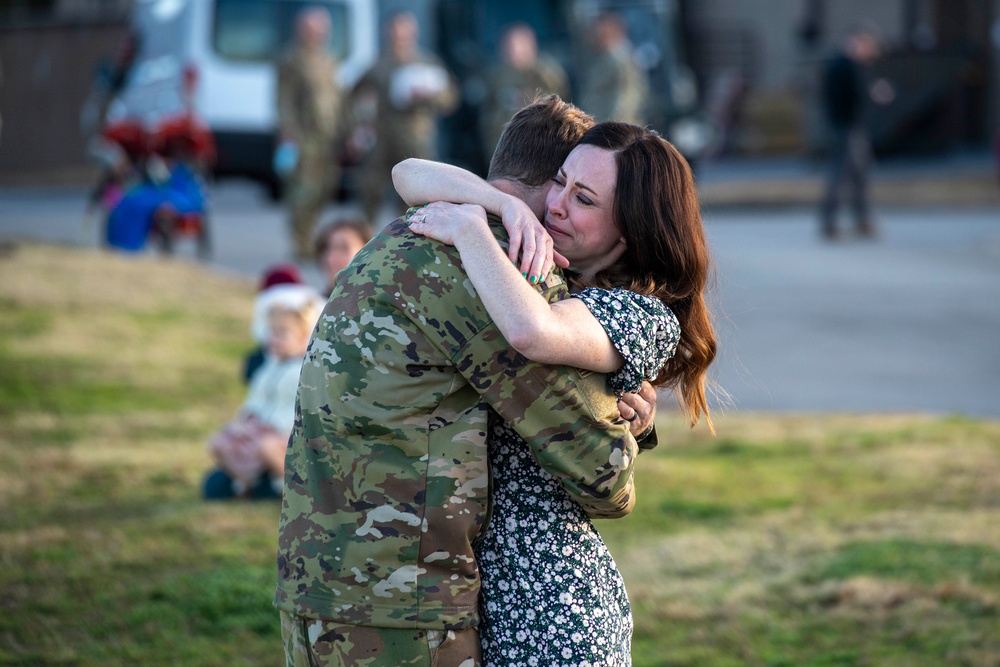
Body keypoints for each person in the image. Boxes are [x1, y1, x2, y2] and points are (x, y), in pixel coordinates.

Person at [275, 95, 653, 667]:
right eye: (566, 187)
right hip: (402, 611)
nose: (564, 207)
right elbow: (601, 473)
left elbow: (408, 173)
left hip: (309, 586)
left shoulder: (404, 233)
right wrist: (627, 418)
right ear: (552, 182)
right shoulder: (499, 271)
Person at [396, 120, 716, 665]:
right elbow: (407, 173)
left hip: (554, 612)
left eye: (584, 198)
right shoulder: (541, 260)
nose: (557, 204)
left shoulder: (642, 315)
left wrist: (473, 227)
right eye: (560, 181)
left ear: (630, 231)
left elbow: (533, 332)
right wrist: (505, 204)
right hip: (486, 601)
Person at [204, 293, 324, 500]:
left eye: (282, 333)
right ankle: (245, 482)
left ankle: (296, 489)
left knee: (267, 447)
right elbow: (256, 399)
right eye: (271, 332)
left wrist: (274, 427)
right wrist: (247, 419)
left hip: (288, 435)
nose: (273, 339)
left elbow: (302, 410)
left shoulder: (305, 372)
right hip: (259, 429)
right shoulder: (269, 368)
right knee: (219, 442)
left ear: (304, 336)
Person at [352, 11, 458, 223]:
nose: (399, 37)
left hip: (415, 140)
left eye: (404, 32)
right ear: (388, 34)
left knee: (413, 194)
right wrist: (361, 124)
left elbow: (450, 99)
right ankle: (363, 235)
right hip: (382, 138)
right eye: (395, 32)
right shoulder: (379, 65)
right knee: (370, 187)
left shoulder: (427, 63)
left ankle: (406, 239)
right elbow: (356, 94)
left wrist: (429, 95)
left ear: (413, 34)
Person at [277, 7, 344, 259]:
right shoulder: (291, 59)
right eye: (311, 29)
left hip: (329, 137)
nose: (316, 34)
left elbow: (338, 97)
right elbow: (284, 100)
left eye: (320, 30)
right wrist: (288, 131)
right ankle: (301, 241)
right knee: (303, 190)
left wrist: (348, 129)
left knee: (325, 188)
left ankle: (310, 231)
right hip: (304, 137)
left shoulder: (329, 60)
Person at [818, 25, 885, 240]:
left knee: (857, 175)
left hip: (846, 126)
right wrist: (874, 92)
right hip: (847, 127)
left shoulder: (841, 64)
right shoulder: (846, 66)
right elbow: (857, 94)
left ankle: (859, 220)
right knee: (844, 175)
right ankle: (836, 221)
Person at [480, 23, 569, 165]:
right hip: (502, 146)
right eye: (507, 46)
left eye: (515, 46)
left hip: (536, 146)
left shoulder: (545, 73)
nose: (511, 51)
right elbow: (489, 105)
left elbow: (557, 104)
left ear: (530, 46)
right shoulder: (498, 74)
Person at [579, 12, 648, 125]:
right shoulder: (601, 57)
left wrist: (612, 127)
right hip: (601, 126)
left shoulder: (620, 58)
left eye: (601, 31)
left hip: (616, 130)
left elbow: (628, 97)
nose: (595, 35)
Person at [312, 217, 372, 296]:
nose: (331, 259)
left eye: (343, 248)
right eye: (326, 248)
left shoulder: (386, 304)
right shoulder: (314, 305)